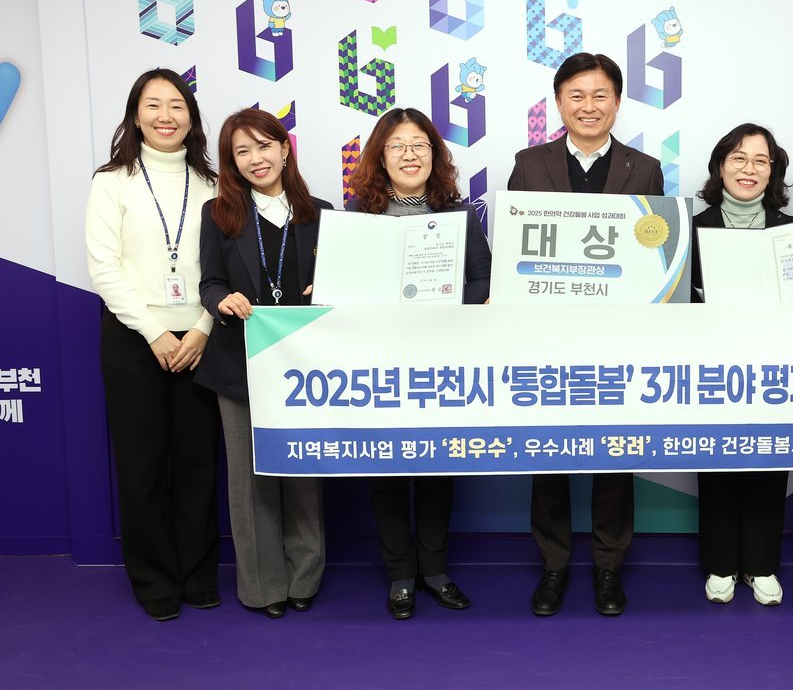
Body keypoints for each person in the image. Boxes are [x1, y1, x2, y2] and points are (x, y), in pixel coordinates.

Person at [508, 52, 664, 616]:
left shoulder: (645, 169)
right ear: (558, 103)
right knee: (549, 456)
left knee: (614, 456)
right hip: (547, 336)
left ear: (617, 102)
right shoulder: (530, 164)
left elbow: (655, 247)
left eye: (601, 95)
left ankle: (607, 568)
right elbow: (512, 249)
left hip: (619, 338)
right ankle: (553, 566)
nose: (589, 106)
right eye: (577, 95)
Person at [85, 68, 221, 622]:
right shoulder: (112, 181)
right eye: (153, 105)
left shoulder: (213, 183)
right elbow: (104, 267)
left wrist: (201, 329)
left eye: (177, 105)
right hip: (133, 338)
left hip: (202, 338)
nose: (166, 116)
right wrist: (155, 333)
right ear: (136, 115)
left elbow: (226, 268)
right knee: (141, 468)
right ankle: (154, 578)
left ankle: (198, 573)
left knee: (198, 465)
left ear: (191, 117)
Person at [347, 107, 492, 620]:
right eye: (397, 146)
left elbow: (482, 280)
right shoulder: (357, 217)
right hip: (380, 362)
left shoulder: (458, 213)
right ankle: (400, 577)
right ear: (380, 156)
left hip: (440, 358)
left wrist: (445, 305)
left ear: (434, 154)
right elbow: (345, 284)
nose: (409, 155)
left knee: (436, 467)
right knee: (386, 468)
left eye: (420, 145)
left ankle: (434, 570)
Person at [197, 108, 331, 618]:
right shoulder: (219, 215)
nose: (256, 158)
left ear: (284, 149)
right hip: (240, 364)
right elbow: (210, 282)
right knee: (248, 480)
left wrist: (329, 288)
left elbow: (344, 282)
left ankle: (304, 578)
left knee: (301, 471)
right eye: (242, 151)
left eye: (264, 146)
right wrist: (222, 300)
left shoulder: (320, 213)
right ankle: (262, 587)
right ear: (232, 163)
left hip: (304, 367)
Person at [691, 123, 793, 606]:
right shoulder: (693, 228)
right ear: (720, 166)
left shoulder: (792, 230)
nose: (748, 169)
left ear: (772, 170)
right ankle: (720, 564)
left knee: (768, 459)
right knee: (717, 461)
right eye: (738, 158)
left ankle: (762, 564)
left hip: (775, 368)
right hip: (711, 366)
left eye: (760, 160)